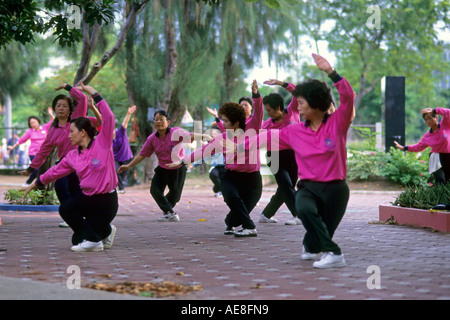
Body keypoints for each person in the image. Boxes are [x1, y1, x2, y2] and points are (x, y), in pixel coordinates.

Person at [255, 54, 354, 268]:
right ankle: (334, 253)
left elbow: (348, 97)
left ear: (316, 103)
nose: (297, 107)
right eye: (297, 102)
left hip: (336, 188)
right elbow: (265, 137)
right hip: (308, 187)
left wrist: (331, 72)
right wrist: (239, 145)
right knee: (305, 208)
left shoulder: (337, 123)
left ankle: (310, 246)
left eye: (301, 102)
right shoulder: (294, 130)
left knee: (323, 229)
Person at [23, 83, 118, 252]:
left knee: (81, 237)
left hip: (106, 202)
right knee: (67, 212)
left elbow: (108, 117)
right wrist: (35, 183)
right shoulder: (72, 156)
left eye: (71, 132)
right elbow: (54, 171)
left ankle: (95, 240)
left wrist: (92, 92)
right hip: (88, 198)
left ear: (82, 132)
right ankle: (102, 233)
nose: (68, 135)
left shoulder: (103, 143)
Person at [169, 80, 264, 237]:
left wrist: (256, 95)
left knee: (237, 215)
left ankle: (230, 223)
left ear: (236, 122)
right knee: (231, 197)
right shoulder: (222, 138)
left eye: (226, 121)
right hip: (231, 176)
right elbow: (204, 151)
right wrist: (183, 161)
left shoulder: (252, 129)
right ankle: (250, 227)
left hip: (253, 179)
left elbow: (259, 112)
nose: (223, 124)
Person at [19, 82, 101, 227]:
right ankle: (72, 216)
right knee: (61, 187)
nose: (61, 108)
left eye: (64, 105)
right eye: (58, 106)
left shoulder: (77, 119)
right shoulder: (53, 131)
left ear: (70, 109)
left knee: (77, 190)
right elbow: (43, 151)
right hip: (65, 164)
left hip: (82, 162)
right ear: (54, 109)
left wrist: (68, 87)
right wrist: (30, 169)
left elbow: (82, 99)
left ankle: (82, 217)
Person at [117, 110, 212, 222]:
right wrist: (128, 165)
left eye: (161, 119)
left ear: (168, 122)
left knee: (175, 196)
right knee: (155, 190)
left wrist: (205, 136)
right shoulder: (152, 138)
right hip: (162, 168)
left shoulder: (176, 132)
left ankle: (167, 210)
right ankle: (170, 213)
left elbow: (190, 136)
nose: (158, 122)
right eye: (156, 120)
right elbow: (142, 154)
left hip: (178, 168)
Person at [258, 79, 301, 226]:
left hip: (294, 155)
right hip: (274, 156)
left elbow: (297, 93)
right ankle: (298, 214)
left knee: (286, 188)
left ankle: (266, 214)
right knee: (286, 185)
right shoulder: (267, 124)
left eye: (269, 110)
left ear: (278, 107)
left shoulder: (292, 112)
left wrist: (282, 83)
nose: (268, 113)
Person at [394, 107, 450, 184]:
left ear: (436, 118)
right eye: (426, 120)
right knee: (440, 181)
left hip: (448, 157)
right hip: (436, 158)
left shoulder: (445, 125)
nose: (428, 121)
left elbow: (448, 113)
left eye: (430, 118)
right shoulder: (427, 136)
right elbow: (417, 147)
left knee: (448, 181)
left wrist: (435, 110)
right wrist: (404, 148)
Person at [8, 108, 55, 186]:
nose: (33, 124)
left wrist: (51, 114)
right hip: (33, 153)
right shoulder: (29, 131)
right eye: (31, 123)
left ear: (38, 122)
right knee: (37, 169)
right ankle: (31, 183)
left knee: (40, 170)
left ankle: (32, 183)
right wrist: (13, 147)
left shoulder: (44, 128)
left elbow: (53, 121)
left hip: (44, 153)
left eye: (34, 122)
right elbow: (21, 140)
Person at [113, 105, 136, 193]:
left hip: (127, 157)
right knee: (116, 170)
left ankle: (122, 187)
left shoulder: (120, 132)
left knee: (123, 175)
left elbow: (125, 122)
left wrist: (128, 114)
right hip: (116, 158)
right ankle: (121, 188)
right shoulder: (108, 140)